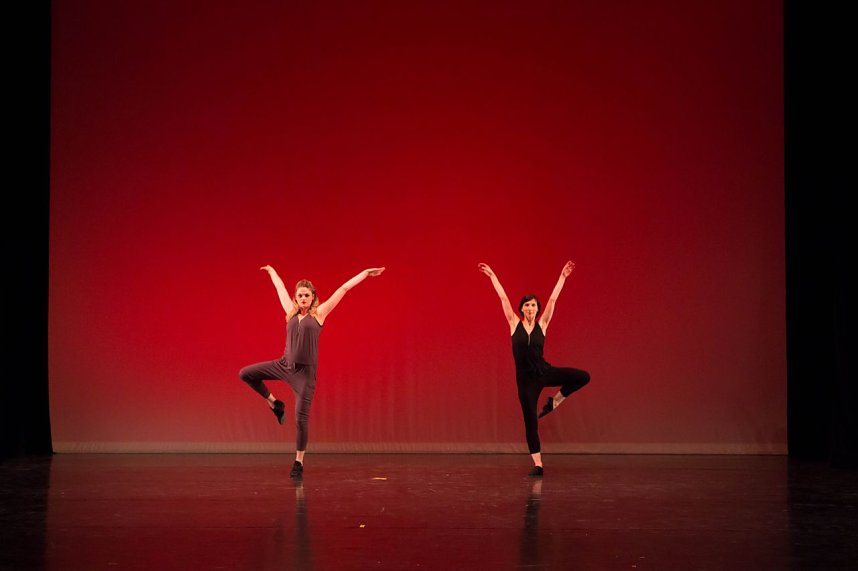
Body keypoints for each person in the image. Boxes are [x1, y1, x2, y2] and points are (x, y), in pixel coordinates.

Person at [239, 264, 385, 478]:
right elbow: (280, 288)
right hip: (284, 365)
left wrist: (364, 274)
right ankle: (274, 403)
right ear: (296, 298)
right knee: (245, 373)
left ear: (313, 297)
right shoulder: (290, 312)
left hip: (304, 376)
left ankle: (298, 461)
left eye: (307, 295)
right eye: (300, 295)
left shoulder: (319, 314)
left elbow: (343, 289)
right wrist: (273, 272)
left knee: (300, 419)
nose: (303, 298)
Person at [478, 260, 590, 477]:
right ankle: (538, 464)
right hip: (526, 381)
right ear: (521, 308)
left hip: (544, 372)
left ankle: (555, 401)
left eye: (534, 305)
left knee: (583, 376)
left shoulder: (543, 324)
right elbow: (502, 297)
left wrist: (562, 278)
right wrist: (493, 276)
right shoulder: (513, 323)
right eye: (527, 305)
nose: (531, 308)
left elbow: (553, 298)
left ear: (538, 309)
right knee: (530, 420)